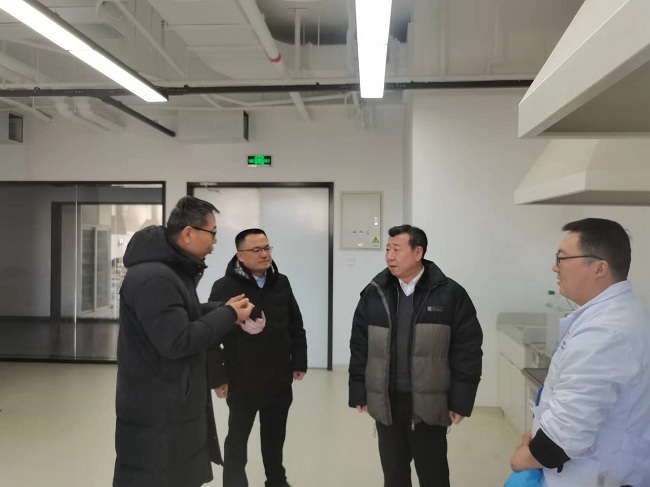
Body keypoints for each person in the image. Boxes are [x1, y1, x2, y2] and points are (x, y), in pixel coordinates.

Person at [113, 196, 257, 487]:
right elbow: (177, 340)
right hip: (158, 411)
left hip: (170, 403)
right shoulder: (155, 277)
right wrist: (228, 315)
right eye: (212, 232)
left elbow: (179, 316)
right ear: (189, 233)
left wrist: (222, 309)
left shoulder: (168, 272)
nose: (215, 241)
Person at [509, 218, 650, 487]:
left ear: (599, 268)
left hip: (590, 477)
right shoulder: (623, 312)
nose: (555, 267)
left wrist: (522, 459)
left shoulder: (605, 333)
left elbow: (563, 437)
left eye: (562, 258)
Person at [348, 224, 483, 487]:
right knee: (394, 476)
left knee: (434, 476)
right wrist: (358, 390)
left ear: (418, 252)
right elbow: (360, 345)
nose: (390, 256)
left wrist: (461, 400)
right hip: (388, 402)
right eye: (387, 249)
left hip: (430, 404)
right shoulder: (375, 293)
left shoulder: (450, 294)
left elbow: (467, 350)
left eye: (396, 250)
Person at [207, 228, 308, 487]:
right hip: (242, 379)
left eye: (267, 248)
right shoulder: (224, 287)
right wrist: (218, 377)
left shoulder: (281, 282)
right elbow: (211, 337)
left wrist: (299, 361)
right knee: (237, 440)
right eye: (257, 250)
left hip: (278, 378)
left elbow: (295, 323)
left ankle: (276, 481)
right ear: (240, 255)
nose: (264, 254)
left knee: (275, 438)